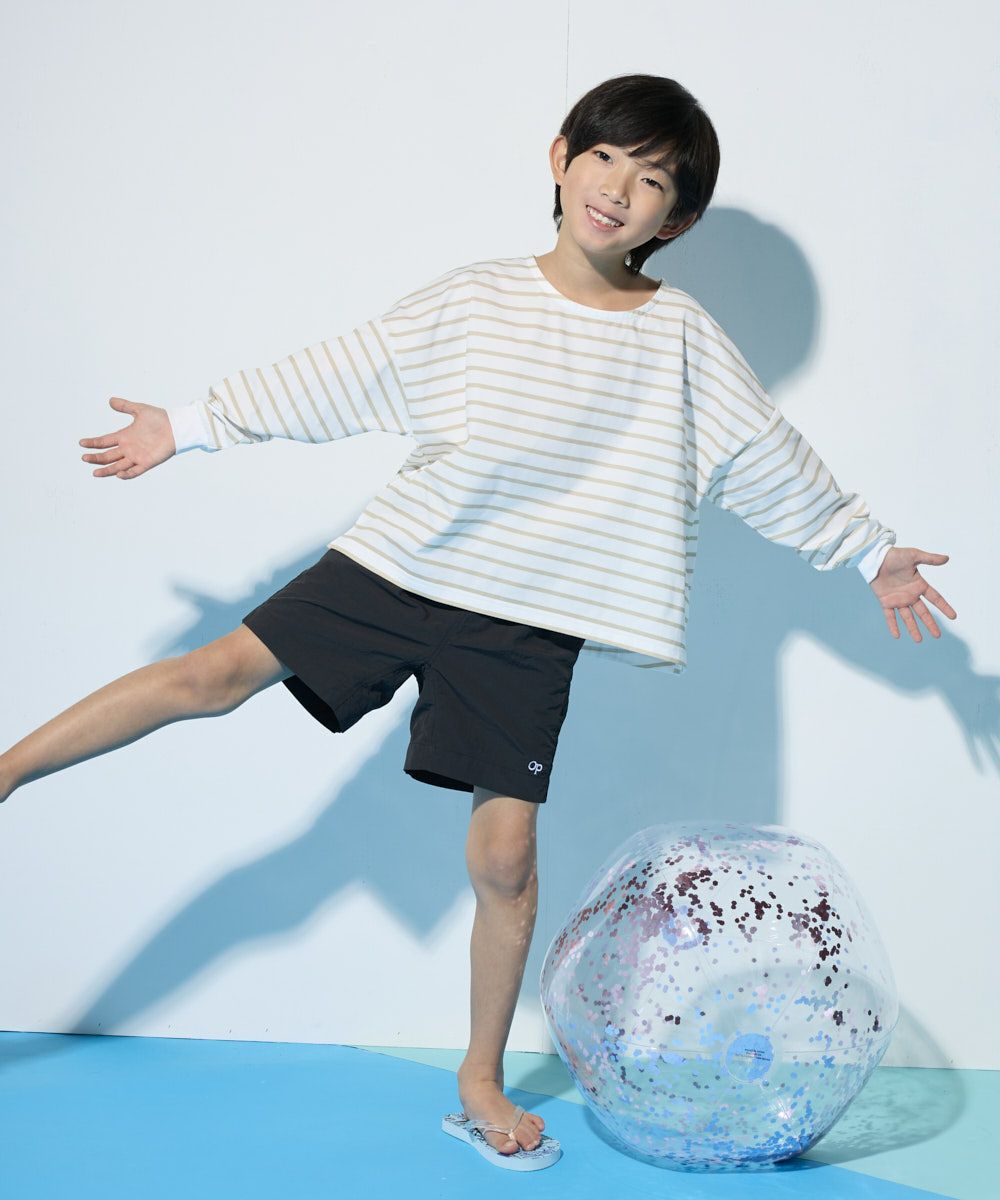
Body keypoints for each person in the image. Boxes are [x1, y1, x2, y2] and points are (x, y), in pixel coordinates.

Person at [0, 73, 956, 1171]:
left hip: (527, 624)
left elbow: (765, 456)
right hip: (401, 567)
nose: (618, 189)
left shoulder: (682, 338)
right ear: (561, 158)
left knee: (505, 860)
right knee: (209, 676)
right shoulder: (478, 300)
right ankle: (7, 772)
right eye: (605, 158)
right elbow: (345, 372)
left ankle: (479, 1078)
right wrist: (193, 423)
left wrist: (866, 551)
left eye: (651, 181)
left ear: (677, 219)